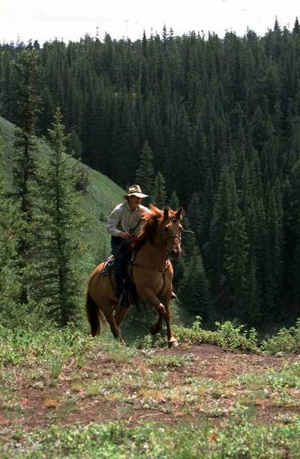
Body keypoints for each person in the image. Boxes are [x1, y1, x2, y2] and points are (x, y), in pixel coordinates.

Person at [106, 184, 149, 307]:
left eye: (140, 198)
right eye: (136, 197)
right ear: (129, 198)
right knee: (121, 261)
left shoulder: (143, 210)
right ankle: (120, 293)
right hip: (120, 242)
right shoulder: (119, 210)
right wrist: (120, 233)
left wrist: (148, 220)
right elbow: (109, 227)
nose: (139, 200)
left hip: (135, 241)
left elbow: (154, 218)